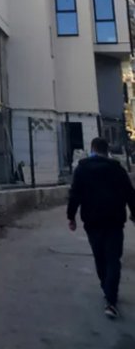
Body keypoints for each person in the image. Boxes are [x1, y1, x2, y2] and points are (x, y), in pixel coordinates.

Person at [67, 136, 135, 319]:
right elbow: (130, 193)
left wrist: (71, 217)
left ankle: (106, 288)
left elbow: (74, 194)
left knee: (100, 257)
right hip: (114, 221)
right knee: (113, 259)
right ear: (107, 151)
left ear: (92, 149)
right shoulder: (117, 169)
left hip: (92, 222)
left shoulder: (82, 169)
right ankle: (111, 299)